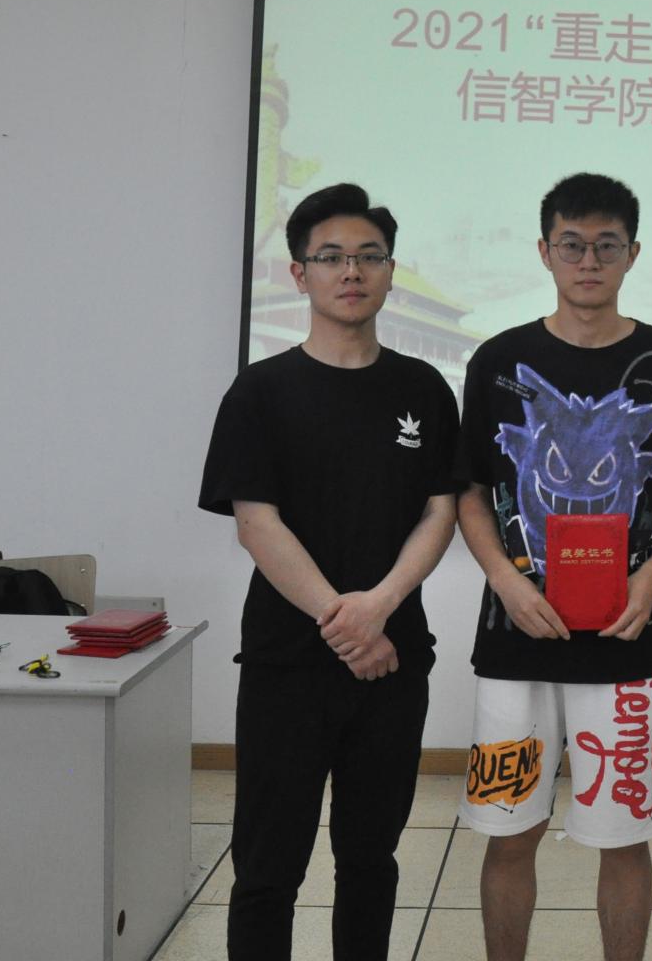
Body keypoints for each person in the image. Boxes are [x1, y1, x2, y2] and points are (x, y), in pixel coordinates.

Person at [453, 172, 652, 961]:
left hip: (631, 642)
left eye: (606, 245)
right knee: (509, 833)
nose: (589, 261)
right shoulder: (500, 360)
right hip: (516, 641)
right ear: (545, 252)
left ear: (633, 253)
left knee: (625, 840)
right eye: (572, 245)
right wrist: (505, 579)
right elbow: (469, 491)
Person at [198, 182, 461, 961]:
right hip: (287, 664)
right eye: (333, 257)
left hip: (393, 662)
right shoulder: (261, 391)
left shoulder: (423, 389)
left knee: (371, 860)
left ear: (390, 272)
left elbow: (440, 512)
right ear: (298, 272)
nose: (352, 271)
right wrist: (344, 624)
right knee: (267, 867)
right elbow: (257, 523)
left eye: (370, 257)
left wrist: (379, 608)